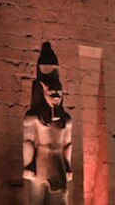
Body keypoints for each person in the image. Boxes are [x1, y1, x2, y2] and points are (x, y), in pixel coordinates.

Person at [24, 42, 73, 205]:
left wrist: (68, 166)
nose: (56, 95)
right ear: (42, 91)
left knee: (59, 201)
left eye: (59, 92)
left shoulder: (66, 119)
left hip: (58, 165)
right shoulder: (33, 117)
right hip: (40, 165)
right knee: (36, 201)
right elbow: (28, 142)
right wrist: (27, 165)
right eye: (51, 92)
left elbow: (67, 144)